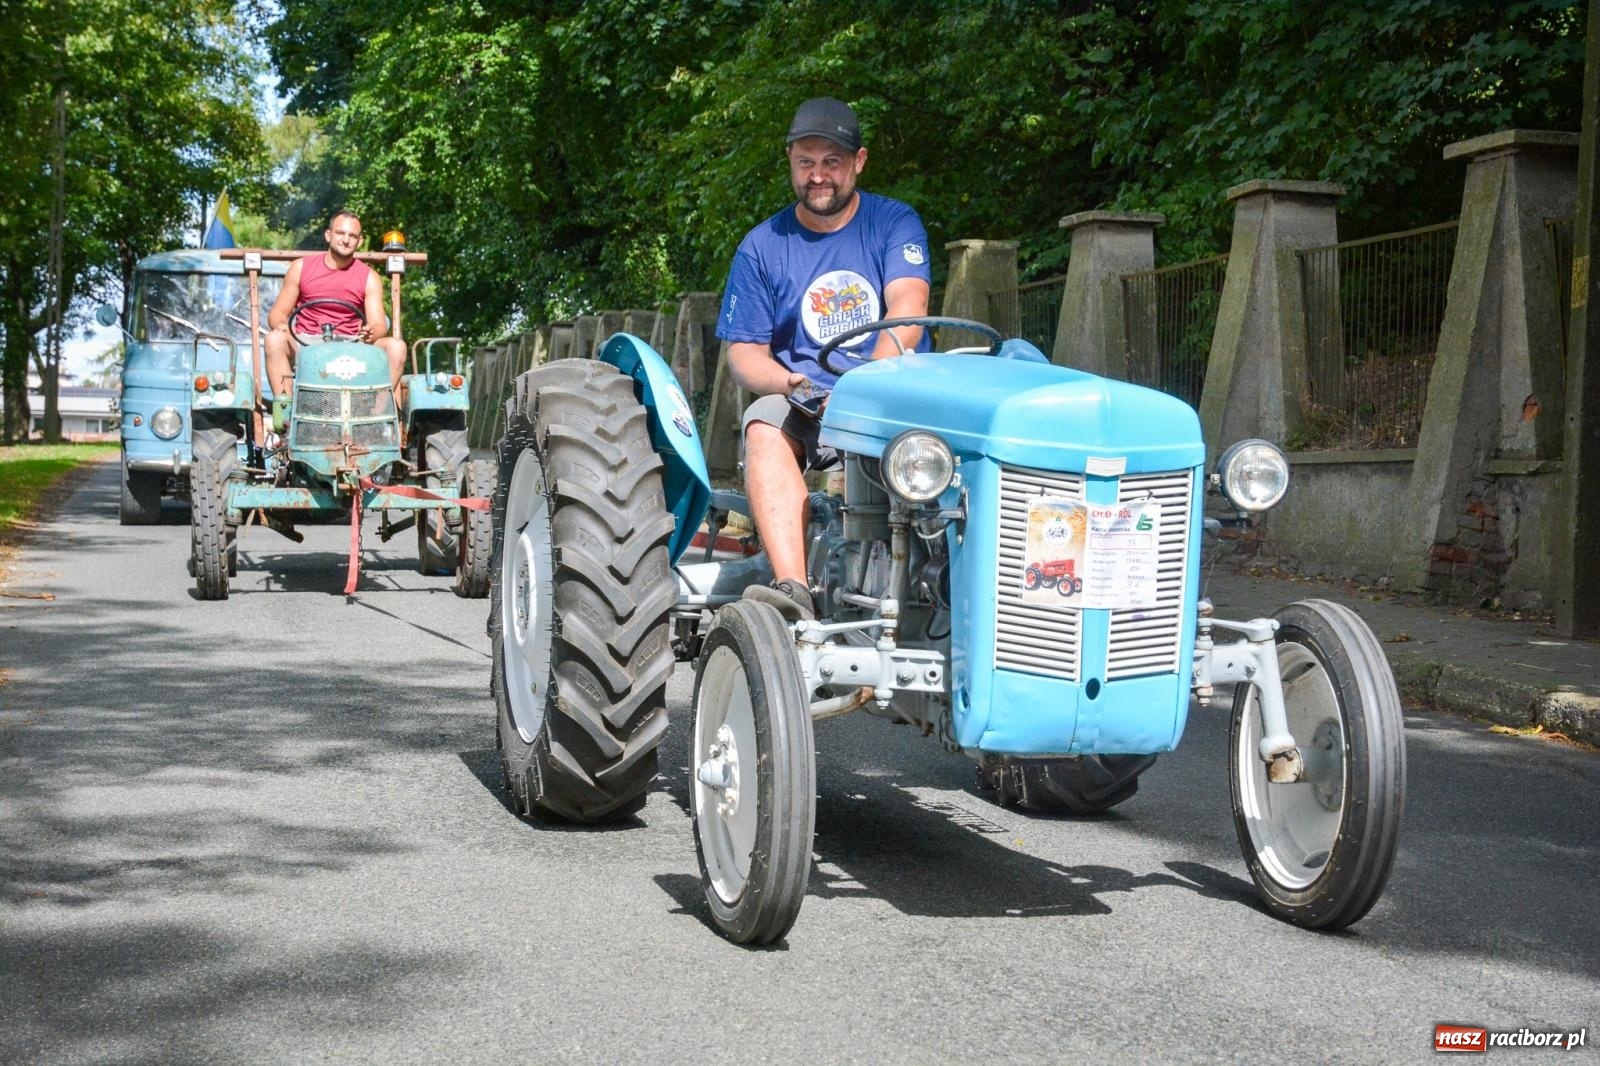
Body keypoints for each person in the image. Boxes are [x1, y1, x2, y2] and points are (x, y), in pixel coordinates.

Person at [717, 97, 932, 621]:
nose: (818, 176)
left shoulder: (894, 222)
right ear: (790, 162)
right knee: (762, 425)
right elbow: (744, 355)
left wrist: (864, 393)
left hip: (893, 396)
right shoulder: (762, 246)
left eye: (831, 162)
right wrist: (788, 383)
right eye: (806, 162)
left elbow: (908, 307)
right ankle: (793, 590)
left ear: (858, 162)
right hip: (807, 403)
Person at [263, 210, 406, 402]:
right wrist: (284, 329)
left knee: (397, 347)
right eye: (340, 233)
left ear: (360, 241)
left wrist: (371, 331)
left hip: (353, 344)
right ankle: (286, 410)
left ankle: (373, 414)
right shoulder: (301, 268)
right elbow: (277, 315)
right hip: (306, 342)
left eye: (352, 236)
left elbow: (378, 324)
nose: (346, 240)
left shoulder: (369, 277)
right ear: (328, 235)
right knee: (274, 339)